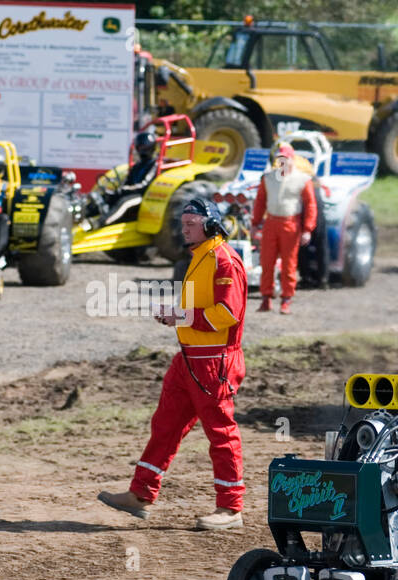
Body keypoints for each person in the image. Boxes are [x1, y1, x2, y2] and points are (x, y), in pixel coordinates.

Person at [98, 198, 249, 530]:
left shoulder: (225, 261)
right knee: (165, 424)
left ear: (209, 226)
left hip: (214, 364)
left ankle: (230, 508)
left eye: (190, 224)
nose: (184, 229)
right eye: (183, 224)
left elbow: (227, 313)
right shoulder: (202, 257)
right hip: (190, 360)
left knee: (221, 434)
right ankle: (140, 493)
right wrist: (177, 315)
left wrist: (179, 315)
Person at [252, 142, 317, 314]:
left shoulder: (303, 180)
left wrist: (307, 229)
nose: (283, 163)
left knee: (289, 263)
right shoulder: (268, 178)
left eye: (286, 159)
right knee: (266, 261)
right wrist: (254, 223)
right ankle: (266, 297)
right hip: (270, 223)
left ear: (292, 160)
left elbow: (310, 205)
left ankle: (286, 299)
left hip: (290, 224)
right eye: (280, 159)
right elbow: (260, 202)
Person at [98, 130, 159, 226]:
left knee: (124, 202)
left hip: (142, 196)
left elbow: (144, 185)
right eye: (140, 147)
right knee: (108, 196)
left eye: (144, 147)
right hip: (130, 192)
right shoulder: (137, 165)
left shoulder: (154, 165)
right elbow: (128, 180)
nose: (142, 149)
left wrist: (125, 189)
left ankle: (101, 222)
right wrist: (118, 191)